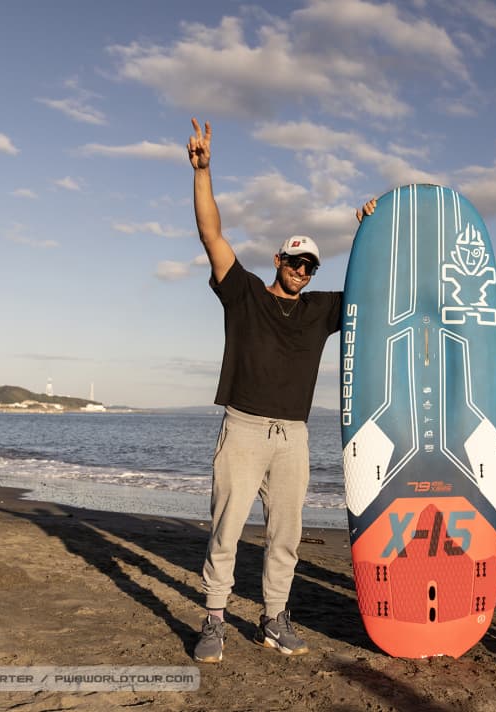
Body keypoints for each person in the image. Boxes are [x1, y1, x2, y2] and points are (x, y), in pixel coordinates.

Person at [187, 117, 376, 663]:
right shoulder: (244, 294)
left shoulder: (320, 310)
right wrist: (203, 172)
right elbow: (211, 235)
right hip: (243, 428)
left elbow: (370, 284)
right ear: (278, 260)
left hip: (293, 436)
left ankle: (273, 619)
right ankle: (216, 620)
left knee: (286, 537)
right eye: (295, 260)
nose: (302, 270)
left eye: (310, 265)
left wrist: (369, 228)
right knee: (226, 530)